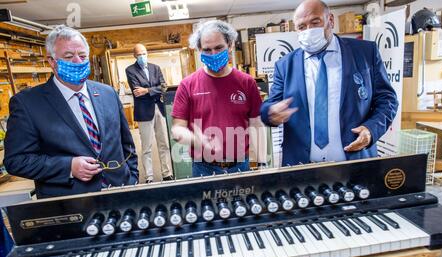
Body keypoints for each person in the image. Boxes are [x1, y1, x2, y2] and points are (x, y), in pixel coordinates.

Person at [4, 25, 138, 199]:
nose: (77, 61)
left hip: (120, 192)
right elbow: (16, 161)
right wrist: (68, 166)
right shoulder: (28, 103)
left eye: (82, 56)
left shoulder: (107, 93)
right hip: (70, 201)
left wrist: (133, 179)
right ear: (52, 61)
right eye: (68, 56)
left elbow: (126, 144)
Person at [260, 0, 398, 166]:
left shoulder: (365, 53)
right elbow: (270, 106)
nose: (309, 30)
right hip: (301, 167)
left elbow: (387, 100)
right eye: (302, 27)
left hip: (356, 162)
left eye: (315, 22)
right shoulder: (285, 65)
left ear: (330, 20)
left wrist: (371, 129)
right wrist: (270, 113)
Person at [171, 20, 267, 177]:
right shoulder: (187, 85)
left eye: (219, 48)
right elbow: (177, 129)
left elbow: (256, 124)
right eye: (207, 50)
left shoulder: (246, 82)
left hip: (240, 166)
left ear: (229, 45)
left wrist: (262, 162)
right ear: (199, 50)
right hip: (204, 168)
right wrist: (198, 139)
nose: (214, 54)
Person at [125, 44, 173, 183]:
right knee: (146, 147)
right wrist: (154, 89)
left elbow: (164, 86)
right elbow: (136, 91)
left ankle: (167, 173)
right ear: (134, 55)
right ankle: (149, 177)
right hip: (144, 112)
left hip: (159, 109)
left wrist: (147, 90)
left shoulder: (155, 68)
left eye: (144, 53)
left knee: (164, 143)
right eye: (139, 54)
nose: (142, 56)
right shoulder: (130, 70)